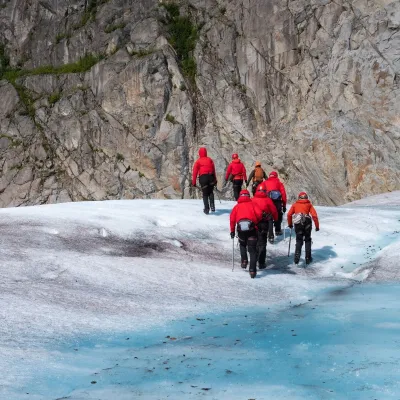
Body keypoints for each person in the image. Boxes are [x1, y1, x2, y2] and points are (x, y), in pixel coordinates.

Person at [230, 189, 263, 278]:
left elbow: (232, 219)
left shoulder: (237, 207)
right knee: (252, 250)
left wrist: (232, 231)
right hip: (252, 229)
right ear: (248, 196)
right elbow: (260, 214)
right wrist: (255, 222)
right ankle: (252, 271)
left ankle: (244, 260)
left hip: (241, 230)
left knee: (242, 244)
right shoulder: (253, 204)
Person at [287, 192, 320, 265]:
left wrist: (290, 224)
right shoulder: (309, 205)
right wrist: (317, 226)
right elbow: (314, 216)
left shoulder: (295, 205)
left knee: (299, 240)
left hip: (298, 223)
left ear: (299, 197)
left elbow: (289, 214)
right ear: (306, 198)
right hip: (307, 223)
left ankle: (296, 257)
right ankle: (308, 258)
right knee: (307, 240)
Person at [251, 187, 278, 269]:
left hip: (254, 223)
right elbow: (274, 211)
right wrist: (276, 219)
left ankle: (254, 260)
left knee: (254, 242)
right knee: (262, 243)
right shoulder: (268, 200)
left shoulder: (252, 199)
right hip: (264, 224)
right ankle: (261, 262)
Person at [257, 171, 287, 238]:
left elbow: (259, 191)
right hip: (277, 202)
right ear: (276, 176)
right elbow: (283, 194)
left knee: (269, 217)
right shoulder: (279, 183)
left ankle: (270, 233)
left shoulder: (264, 183)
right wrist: (284, 205)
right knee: (278, 214)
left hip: (267, 201)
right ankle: (277, 230)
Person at [192, 147, 217, 215]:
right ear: (206, 153)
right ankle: (212, 206)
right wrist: (215, 179)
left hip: (203, 178)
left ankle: (206, 209)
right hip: (211, 177)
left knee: (205, 194)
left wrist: (193, 182)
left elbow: (195, 172)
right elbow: (213, 170)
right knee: (211, 192)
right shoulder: (210, 160)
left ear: (199, 153)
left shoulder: (198, 161)